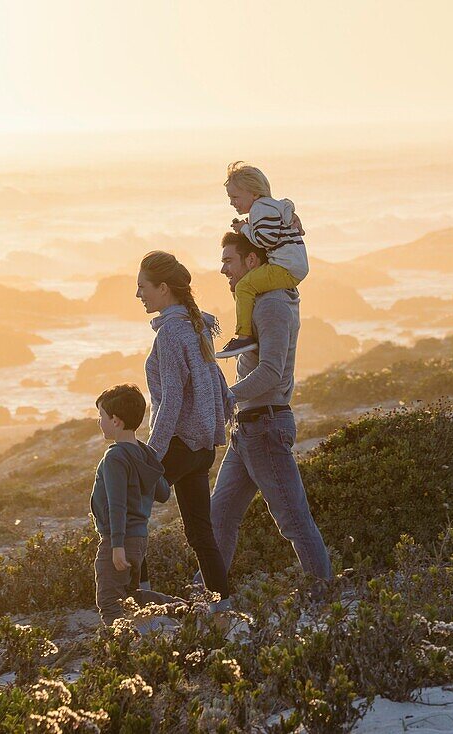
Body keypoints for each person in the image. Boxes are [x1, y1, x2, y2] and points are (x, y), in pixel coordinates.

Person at [209, 231, 331, 580]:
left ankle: (323, 598)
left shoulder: (273, 304)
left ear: (252, 261)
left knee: (293, 521)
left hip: (265, 426)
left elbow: (272, 373)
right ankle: (208, 598)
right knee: (219, 519)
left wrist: (227, 396)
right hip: (246, 429)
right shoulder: (259, 301)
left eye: (228, 261)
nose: (223, 270)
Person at [136, 251, 234, 607]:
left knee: (131, 509)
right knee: (199, 530)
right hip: (202, 447)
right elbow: (217, 381)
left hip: (178, 445)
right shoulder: (197, 326)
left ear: (163, 288)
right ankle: (223, 604)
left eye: (143, 287)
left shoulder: (171, 335)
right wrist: (215, 427)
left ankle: (137, 598)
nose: (138, 295)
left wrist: (151, 452)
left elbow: (172, 400)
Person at [90, 383, 172, 626]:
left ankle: (120, 652)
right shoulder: (144, 453)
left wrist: (116, 546)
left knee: (109, 602)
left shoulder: (115, 456)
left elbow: (117, 505)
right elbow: (164, 493)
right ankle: (182, 609)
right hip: (138, 540)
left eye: (101, 416)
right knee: (131, 596)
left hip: (119, 541)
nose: (99, 421)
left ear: (115, 421)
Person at [216, 161, 310, 359]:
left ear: (254, 194)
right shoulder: (271, 207)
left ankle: (244, 336)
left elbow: (266, 239)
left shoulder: (260, 209)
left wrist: (244, 229)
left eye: (235, 197)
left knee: (243, 287)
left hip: (285, 268)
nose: (232, 202)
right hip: (292, 266)